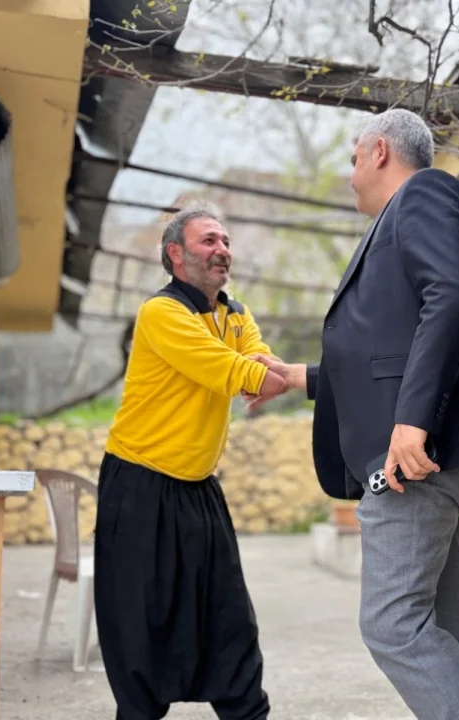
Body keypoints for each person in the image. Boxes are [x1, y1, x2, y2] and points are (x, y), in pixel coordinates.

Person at [253, 109, 459, 719]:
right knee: (438, 631)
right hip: (435, 450)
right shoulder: (398, 222)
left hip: (414, 456)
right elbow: (383, 359)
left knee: (393, 625)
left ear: (378, 151)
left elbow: (451, 294)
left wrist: (412, 421)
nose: (350, 176)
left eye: (352, 160)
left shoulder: (425, 192)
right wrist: (298, 377)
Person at [94, 204, 284, 720]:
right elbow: (227, 368)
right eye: (209, 241)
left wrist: (265, 372)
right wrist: (267, 376)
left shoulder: (235, 313)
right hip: (139, 484)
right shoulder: (162, 313)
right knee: (141, 624)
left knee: (229, 617)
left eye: (225, 241)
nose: (222, 249)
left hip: (199, 485)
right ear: (175, 253)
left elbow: (259, 358)